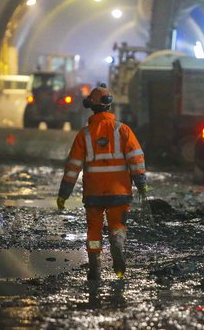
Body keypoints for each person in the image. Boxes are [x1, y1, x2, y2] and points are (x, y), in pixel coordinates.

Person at [56, 83, 147, 280]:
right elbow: (136, 158)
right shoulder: (123, 130)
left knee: (94, 230)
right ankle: (117, 243)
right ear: (109, 106)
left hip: (94, 194)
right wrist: (141, 183)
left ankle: (95, 268)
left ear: (91, 106)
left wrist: (64, 194)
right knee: (118, 225)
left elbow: (73, 167)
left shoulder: (84, 135)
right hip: (120, 192)